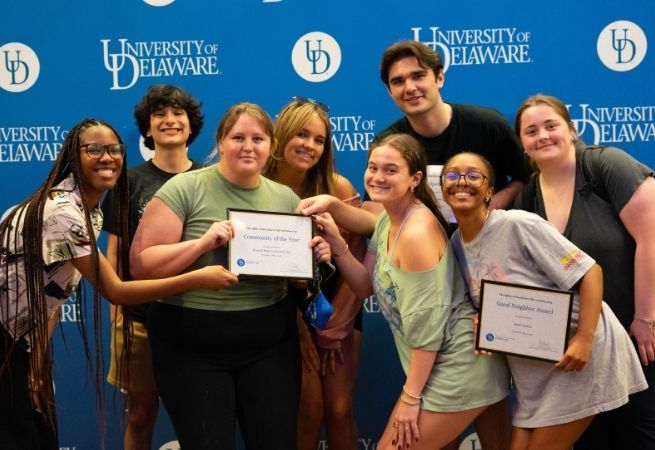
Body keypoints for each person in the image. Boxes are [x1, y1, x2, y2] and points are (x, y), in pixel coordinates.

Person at [0, 118, 238, 450]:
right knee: (3, 432)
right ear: (73, 155)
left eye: (114, 149)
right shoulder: (62, 211)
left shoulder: (92, 211)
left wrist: (36, 364)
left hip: (16, 330)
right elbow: (115, 290)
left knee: (34, 427)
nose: (107, 157)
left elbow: (53, 293)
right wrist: (197, 279)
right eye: (94, 149)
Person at [129, 102, 331, 450]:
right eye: (238, 137)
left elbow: (295, 281)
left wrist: (312, 263)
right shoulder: (185, 188)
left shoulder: (285, 198)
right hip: (190, 345)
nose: (248, 146)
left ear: (272, 146)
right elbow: (142, 265)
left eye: (258, 138)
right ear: (221, 141)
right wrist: (202, 244)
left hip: (269, 345)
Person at [513, 94, 655, 450]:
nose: (543, 135)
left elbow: (651, 240)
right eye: (531, 131)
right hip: (597, 331)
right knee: (593, 430)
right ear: (523, 145)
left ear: (572, 129)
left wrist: (646, 319)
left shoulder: (606, 164)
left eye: (551, 126)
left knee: (640, 425)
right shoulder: (529, 198)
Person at [311, 134, 510, 450]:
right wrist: (338, 245)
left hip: (459, 372)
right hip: (436, 371)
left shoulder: (416, 233)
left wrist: (410, 397)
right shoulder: (388, 219)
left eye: (390, 170)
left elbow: (428, 334)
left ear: (415, 178)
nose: (378, 177)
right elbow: (365, 287)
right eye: (373, 167)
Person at [442, 151, 648, 450]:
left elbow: (591, 273)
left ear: (489, 190)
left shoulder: (518, 224)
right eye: (452, 175)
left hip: (577, 357)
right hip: (533, 373)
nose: (462, 181)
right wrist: (484, 322)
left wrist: (584, 339)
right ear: (443, 187)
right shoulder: (456, 245)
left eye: (474, 175)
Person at [102, 85, 203, 450]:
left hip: (196, 319)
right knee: (141, 416)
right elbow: (113, 255)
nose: (169, 120)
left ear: (191, 126)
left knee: (198, 419)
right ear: (147, 128)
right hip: (140, 320)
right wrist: (118, 311)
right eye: (159, 114)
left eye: (178, 113)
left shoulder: (210, 179)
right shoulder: (127, 181)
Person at [264, 96, 365, 450]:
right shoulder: (257, 187)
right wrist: (302, 330)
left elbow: (356, 259)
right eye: (301, 135)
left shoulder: (338, 189)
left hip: (338, 309)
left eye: (319, 140)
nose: (309, 145)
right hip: (282, 312)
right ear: (281, 135)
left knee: (338, 410)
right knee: (307, 410)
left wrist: (334, 324)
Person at [375, 40, 528, 219]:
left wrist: (487, 210)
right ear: (389, 90)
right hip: (422, 244)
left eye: (418, 76)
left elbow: (524, 177)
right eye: (398, 81)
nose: (410, 88)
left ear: (439, 78)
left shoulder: (488, 124)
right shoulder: (388, 142)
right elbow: (375, 205)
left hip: (490, 238)